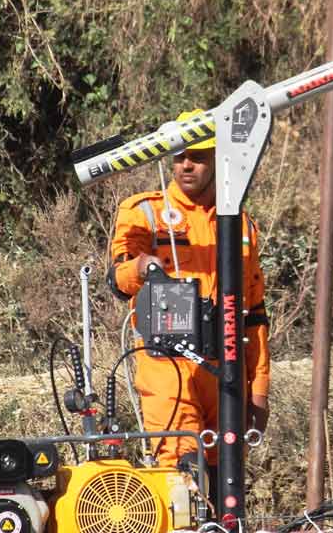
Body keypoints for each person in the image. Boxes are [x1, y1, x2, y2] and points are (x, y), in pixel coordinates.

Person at [107, 109, 270, 476]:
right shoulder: (144, 213)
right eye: (179, 157)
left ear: (216, 158)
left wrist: (258, 391)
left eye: (197, 157)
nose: (186, 165)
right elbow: (118, 279)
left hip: (225, 369)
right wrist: (141, 267)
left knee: (227, 477)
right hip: (168, 366)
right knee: (182, 474)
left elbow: (255, 315)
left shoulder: (240, 223)